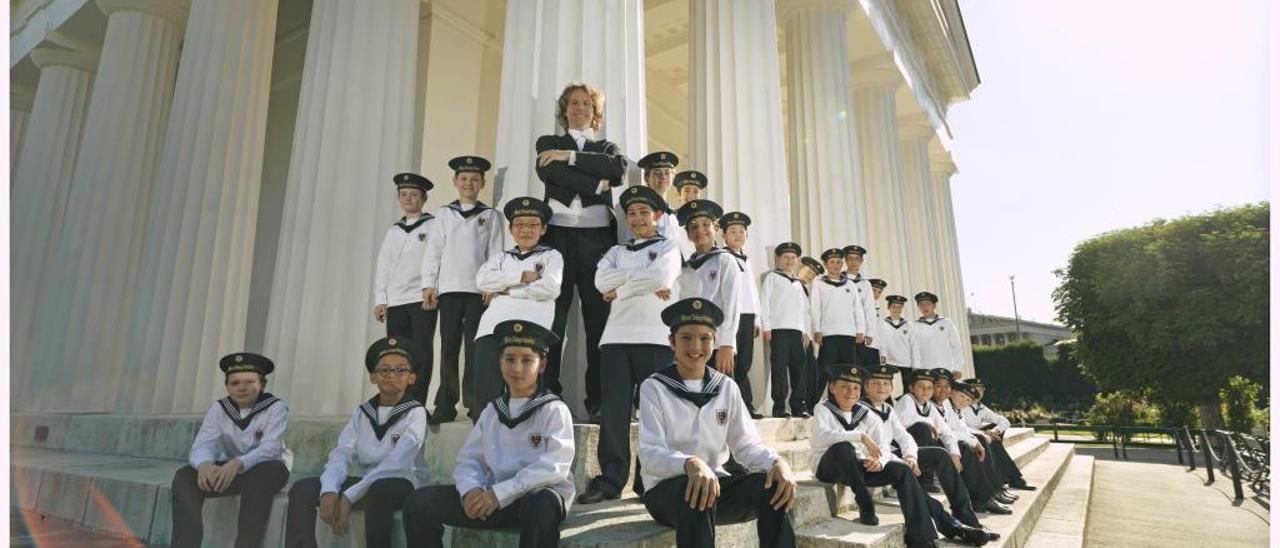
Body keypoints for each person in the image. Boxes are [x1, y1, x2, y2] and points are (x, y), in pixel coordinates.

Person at [637, 298, 798, 547]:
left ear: (714, 341)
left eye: (704, 338)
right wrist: (689, 464)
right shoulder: (654, 387)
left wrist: (776, 463)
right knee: (697, 491)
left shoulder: (725, 387)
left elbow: (746, 445)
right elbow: (649, 453)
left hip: (717, 485)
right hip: (668, 491)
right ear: (672, 342)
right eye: (686, 338)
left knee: (773, 486)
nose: (696, 347)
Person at [402, 321, 574, 548]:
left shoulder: (553, 410)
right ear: (500, 363)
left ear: (541, 365)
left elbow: (553, 467)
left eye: (527, 360)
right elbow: (469, 460)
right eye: (509, 359)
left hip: (532, 498)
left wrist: (498, 494)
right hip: (492, 498)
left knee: (540, 504)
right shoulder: (492, 412)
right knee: (419, 502)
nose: (517, 369)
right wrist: (471, 491)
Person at [578, 185, 682, 505]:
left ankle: (649, 479)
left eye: (644, 212)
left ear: (657, 215)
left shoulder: (669, 248)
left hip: (655, 337)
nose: (637, 218)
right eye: (632, 213)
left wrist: (621, 289)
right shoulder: (615, 252)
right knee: (614, 411)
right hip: (616, 338)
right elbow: (600, 283)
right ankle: (610, 479)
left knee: (655, 413)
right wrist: (639, 281)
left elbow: (661, 278)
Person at [810, 365, 988, 547]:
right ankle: (865, 502)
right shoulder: (823, 408)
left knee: (903, 471)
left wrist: (880, 461)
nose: (851, 392)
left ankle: (922, 538)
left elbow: (885, 444)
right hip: (830, 468)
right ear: (832, 388)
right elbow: (821, 438)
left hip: (860, 467)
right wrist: (859, 436)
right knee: (843, 448)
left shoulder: (865, 413)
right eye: (844, 387)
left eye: (855, 387)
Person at [534, 82, 628, 419]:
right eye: (574, 103)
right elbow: (549, 172)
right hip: (557, 236)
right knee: (553, 319)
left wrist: (571, 157)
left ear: (595, 112)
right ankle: (546, 394)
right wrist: (595, 182)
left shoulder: (608, 147)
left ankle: (598, 401)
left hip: (597, 240)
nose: (580, 108)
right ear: (564, 110)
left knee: (598, 324)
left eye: (587, 104)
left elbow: (616, 169)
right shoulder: (548, 144)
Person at [285, 338, 429, 548]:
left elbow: (397, 463)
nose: (391, 375)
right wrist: (330, 490)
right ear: (373, 377)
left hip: (401, 482)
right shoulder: (362, 413)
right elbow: (341, 454)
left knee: (380, 491)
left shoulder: (416, 413)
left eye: (400, 370)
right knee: (302, 489)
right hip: (365, 481)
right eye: (384, 370)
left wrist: (350, 495)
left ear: (412, 378)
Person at [861, 365, 997, 540]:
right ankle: (952, 526)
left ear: (892, 387)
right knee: (921, 433)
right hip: (877, 462)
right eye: (876, 383)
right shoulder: (861, 409)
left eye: (886, 383)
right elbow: (874, 445)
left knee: (941, 454)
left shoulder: (887, 409)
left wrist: (915, 455)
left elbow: (906, 437)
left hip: (896, 455)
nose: (882, 387)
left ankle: (966, 517)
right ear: (866, 387)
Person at [171, 353, 291, 548]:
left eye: (249, 382)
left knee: (264, 478)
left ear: (262, 385)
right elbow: (203, 444)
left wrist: (238, 463)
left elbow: (271, 447)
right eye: (234, 383)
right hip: (229, 472)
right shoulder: (220, 408)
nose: (241, 388)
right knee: (184, 477)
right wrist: (204, 464)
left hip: (266, 468)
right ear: (227, 386)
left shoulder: (275, 407)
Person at [421, 155, 505, 424]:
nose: (469, 183)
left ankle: (475, 402)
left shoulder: (490, 215)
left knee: (475, 348)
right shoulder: (445, 213)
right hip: (449, 290)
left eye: (474, 179)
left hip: (478, 291)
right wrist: (429, 285)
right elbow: (434, 251)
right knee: (448, 346)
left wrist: (492, 285)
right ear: (455, 182)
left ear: (482, 183)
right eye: (464, 179)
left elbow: (495, 253)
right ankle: (446, 403)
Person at [471, 197, 564, 420]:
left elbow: (550, 288)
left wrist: (509, 290)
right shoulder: (501, 257)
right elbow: (482, 281)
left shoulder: (551, 256)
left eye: (532, 225)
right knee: (486, 398)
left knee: (526, 395)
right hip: (491, 329)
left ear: (543, 229)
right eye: (520, 225)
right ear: (512, 229)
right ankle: (485, 446)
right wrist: (521, 276)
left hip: (532, 329)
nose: (526, 230)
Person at [373, 172, 437, 403]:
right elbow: (384, 267)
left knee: (420, 352)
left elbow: (436, 260)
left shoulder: (433, 226)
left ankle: (416, 400)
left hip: (420, 298)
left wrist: (432, 288)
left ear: (423, 198)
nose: (408, 199)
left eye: (414, 194)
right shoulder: (394, 231)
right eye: (404, 195)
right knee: (397, 353)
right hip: (397, 300)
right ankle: (397, 399)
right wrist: (381, 299)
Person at [674, 199, 741, 375]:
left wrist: (727, 344)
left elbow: (732, 304)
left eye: (706, 225)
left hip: (717, 342)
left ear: (716, 228)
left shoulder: (725, 260)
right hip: (691, 346)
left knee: (720, 396)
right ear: (688, 234)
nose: (700, 231)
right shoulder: (685, 269)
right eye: (693, 227)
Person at [933, 373, 1013, 514]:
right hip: (939, 443)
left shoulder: (956, 409)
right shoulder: (944, 405)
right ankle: (985, 497)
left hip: (948, 441)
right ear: (952, 393)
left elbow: (962, 429)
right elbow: (947, 431)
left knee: (981, 440)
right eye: (962, 396)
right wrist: (974, 441)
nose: (965, 401)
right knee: (968, 445)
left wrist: (977, 438)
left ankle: (993, 491)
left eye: (968, 400)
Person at [760, 242, 811, 418]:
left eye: (792, 258)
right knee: (780, 369)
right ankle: (779, 406)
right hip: (779, 329)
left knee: (799, 369)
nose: (789, 261)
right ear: (779, 259)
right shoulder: (772, 278)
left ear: (797, 261)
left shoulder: (798, 283)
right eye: (785, 257)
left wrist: (805, 331)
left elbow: (804, 310)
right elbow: (764, 303)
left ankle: (798, 405)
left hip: (797, 331)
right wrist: (767, 327)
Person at [721, 211, 763, 419]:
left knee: (745, 362)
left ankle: (745, 405)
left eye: (741, 231)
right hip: (731, 316)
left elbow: (752, 291)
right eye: (733, 231)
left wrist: (756, 318)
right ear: (724, 235)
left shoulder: (746, 260)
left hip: (747, 316)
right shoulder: (722, 257)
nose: (738, 235)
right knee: (730, 361)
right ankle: (732, 405)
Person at [810, 248, 859, 393]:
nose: (836, 265)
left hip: (848, 334)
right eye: (832, 262)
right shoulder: (819, 283)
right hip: (829, 334)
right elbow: (815, 308)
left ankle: (844, 402)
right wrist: (817, 330)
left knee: (847, 373)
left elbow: (857, 309)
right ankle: (812, 404)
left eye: (839, 262)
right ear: (826, 264)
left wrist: (860, 330)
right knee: (823, 371)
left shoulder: (850, 284)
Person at [910, 292, 965, 373]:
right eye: (921, 305)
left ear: (934, 305)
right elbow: (915, 350)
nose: (924, 307)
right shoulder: (915, 326)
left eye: (928, 304)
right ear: (918, 307)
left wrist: (958, 368)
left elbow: (956, 346)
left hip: (946, 369)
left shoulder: (946, 323)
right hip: (925, 371)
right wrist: (916, 369)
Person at [842, 245, 878, 368]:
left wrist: (869, 332)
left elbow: (869, 309)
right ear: (845, 260)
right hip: (841, 330)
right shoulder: (838, 280)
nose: (853, 262)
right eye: (850, 258)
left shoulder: (865, 284)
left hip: (859, 332)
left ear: (861, 261)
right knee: (839, 367)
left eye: (857, 259)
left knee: (858, 368)